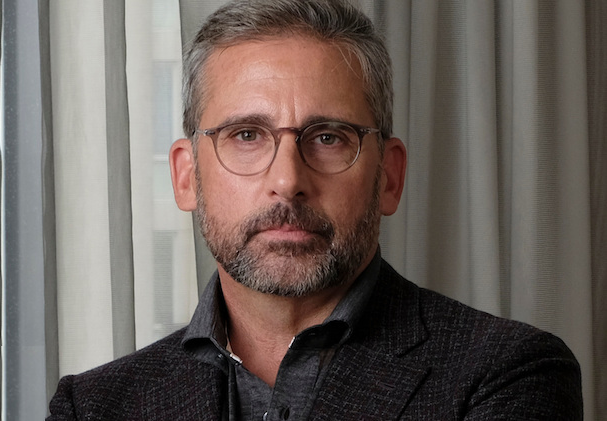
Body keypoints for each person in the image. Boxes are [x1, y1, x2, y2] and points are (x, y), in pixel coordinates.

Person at [47, 0, 583, 419]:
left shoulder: (511, 374)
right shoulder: (91, 407)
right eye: (247, 135)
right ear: (186, 176)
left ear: (389, 177)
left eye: (328, 137)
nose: (287, 181)